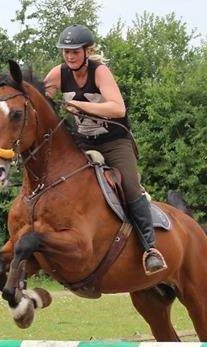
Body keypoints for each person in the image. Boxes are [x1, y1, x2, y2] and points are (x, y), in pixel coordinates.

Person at [43, 25, 167, 275]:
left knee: (130, 185)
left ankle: (150, 249)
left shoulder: (100, 72)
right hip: (83, 141)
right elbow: (40, 98)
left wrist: (80, 105)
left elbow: (118, 109)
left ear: (87, 51)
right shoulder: (58, 73)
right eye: (66, 51)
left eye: (75, 51)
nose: (69, 56)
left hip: (114, 141)